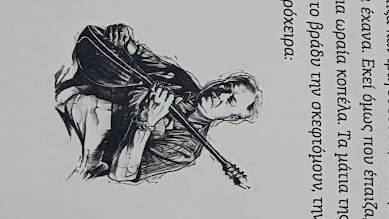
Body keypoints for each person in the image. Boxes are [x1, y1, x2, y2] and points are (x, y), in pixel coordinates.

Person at [55, 23, 260, 184]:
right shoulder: (183, 81)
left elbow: (122, 174)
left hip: (76, 142)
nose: (220, 94)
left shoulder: (186, 148)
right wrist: (124, 39)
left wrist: (145, 122)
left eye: (231, 100)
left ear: (233, 117)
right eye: (225, 86)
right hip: (69, 96)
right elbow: (141, 56)